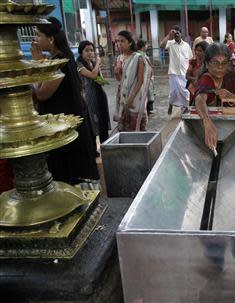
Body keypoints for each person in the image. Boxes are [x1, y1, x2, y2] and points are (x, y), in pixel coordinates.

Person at [31, 17, 99, 184]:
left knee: (66, 173)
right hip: (64, 121)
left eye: (38, 35)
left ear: (51, 39)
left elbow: (41, 94)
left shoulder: (59, 61)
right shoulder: (59, 58)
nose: (35, 40)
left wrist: (37, 62)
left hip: (63, 123)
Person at [195, 43, 235, 150]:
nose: (220, 67)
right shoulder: (205, 79)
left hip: (226, 126)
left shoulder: (230, 77)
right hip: (203, 127)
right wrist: (206, 121)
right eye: (215, 62)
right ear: (207, 64)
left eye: (224, 63)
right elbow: (200, 99)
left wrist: (229, 96)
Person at [114, 31, 151, 131]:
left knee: (136, 127)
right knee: (124, 128)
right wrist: (117, 73)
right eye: (117, 41)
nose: (119, 44)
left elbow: (140, 80)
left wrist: (131, 98)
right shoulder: (119, 58)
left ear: (130, 42)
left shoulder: (138, 57)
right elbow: (120, 80)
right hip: (123, 96)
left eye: (122, 41)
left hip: (136, 97)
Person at [77, 40, 111, 144]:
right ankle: (93, 152)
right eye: (87, 50)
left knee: (102, 122)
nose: (90, 53)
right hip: (88, 99)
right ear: (81, 52)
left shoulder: (92, 63)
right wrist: (97, 64)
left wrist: (102, 80)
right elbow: (92, 75)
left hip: (99, 96)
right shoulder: (79, 65)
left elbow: (99, 80)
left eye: (92, 50)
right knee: (91, 124)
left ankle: (105, 146)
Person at [160, 25, 193, 115]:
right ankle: (171, 104)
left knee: (185, 92)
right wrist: (169, 35)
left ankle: (186, 107)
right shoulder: (170, 43)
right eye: (175, 33)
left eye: (178, 33)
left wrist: (191, 71)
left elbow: (190, 58)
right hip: (173, 72)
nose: (177, 34)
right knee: (173, 92)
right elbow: (161, 45)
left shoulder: (186, 45)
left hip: (184, 72)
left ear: (181, 34)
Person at [137, 39, 155, 115]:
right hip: (144, 78)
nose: (147, 46)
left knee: (148, 93)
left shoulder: (143, 54)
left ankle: (148, 110)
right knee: (146, 94)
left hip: (146, 77)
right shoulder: (140, 55)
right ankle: (146, 111)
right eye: (146, 45)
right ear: (143, 46)